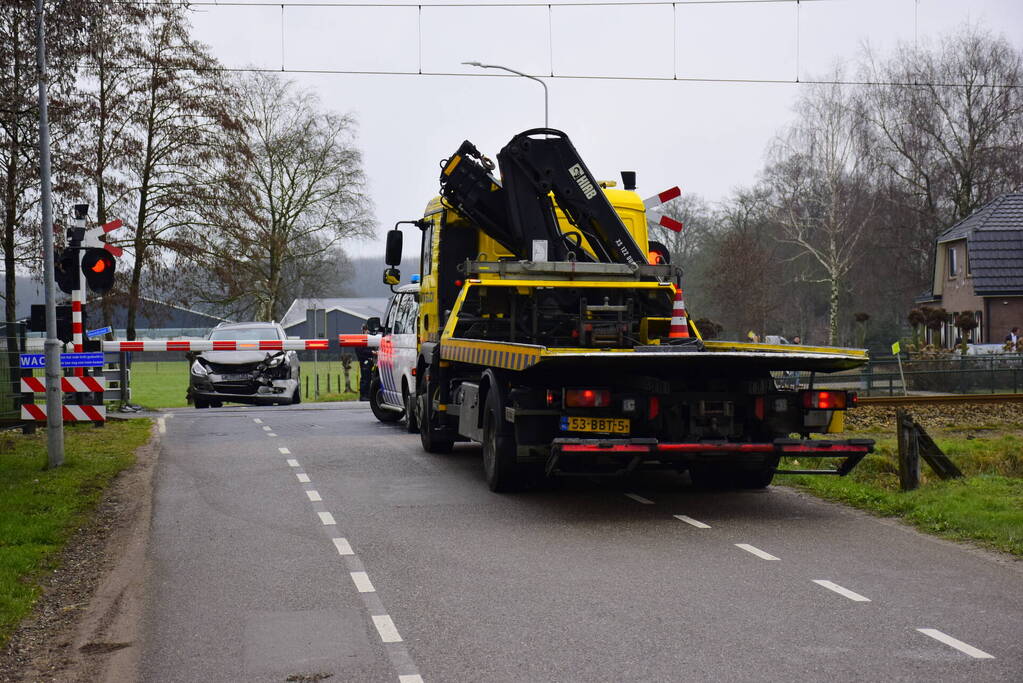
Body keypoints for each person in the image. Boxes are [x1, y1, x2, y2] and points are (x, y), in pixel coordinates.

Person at [355, 324, 376, 401]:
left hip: (370, 361)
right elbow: (361, 351)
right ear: (364, 330)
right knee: (365, 378)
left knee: (369, 378)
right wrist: (372, 352)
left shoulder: (369, 339)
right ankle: (363, 395)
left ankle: (367, 394)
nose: (368, 332)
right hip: (364, 361)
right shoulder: (361, 339)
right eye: (367, 330)